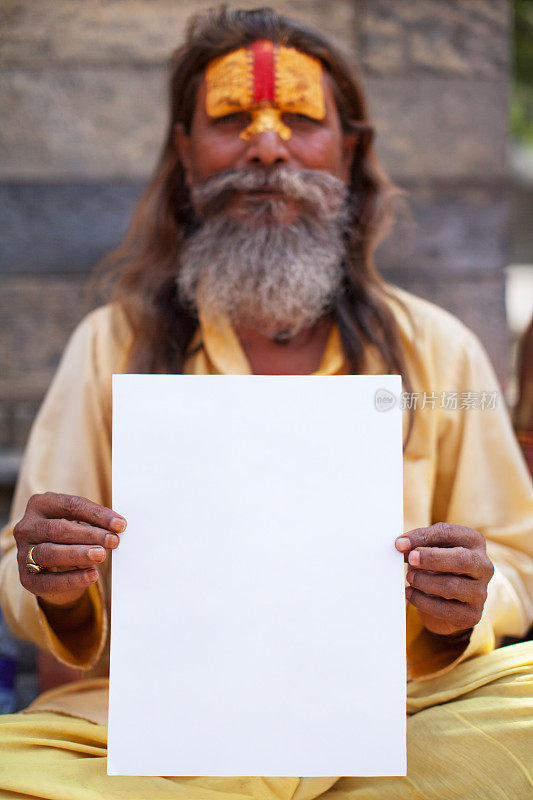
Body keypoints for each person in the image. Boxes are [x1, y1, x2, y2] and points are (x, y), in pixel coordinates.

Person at [0, 6, 532, 799]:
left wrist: (464, 599)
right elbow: (21, 563)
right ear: (186, 155)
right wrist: (51, 573)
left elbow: (515, 560)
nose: (266, 144)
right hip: (156, 738)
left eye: (300, 119)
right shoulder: (109, 345)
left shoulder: (437, 351)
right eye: (230, 119)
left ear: (347, 153)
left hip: (391, 721)